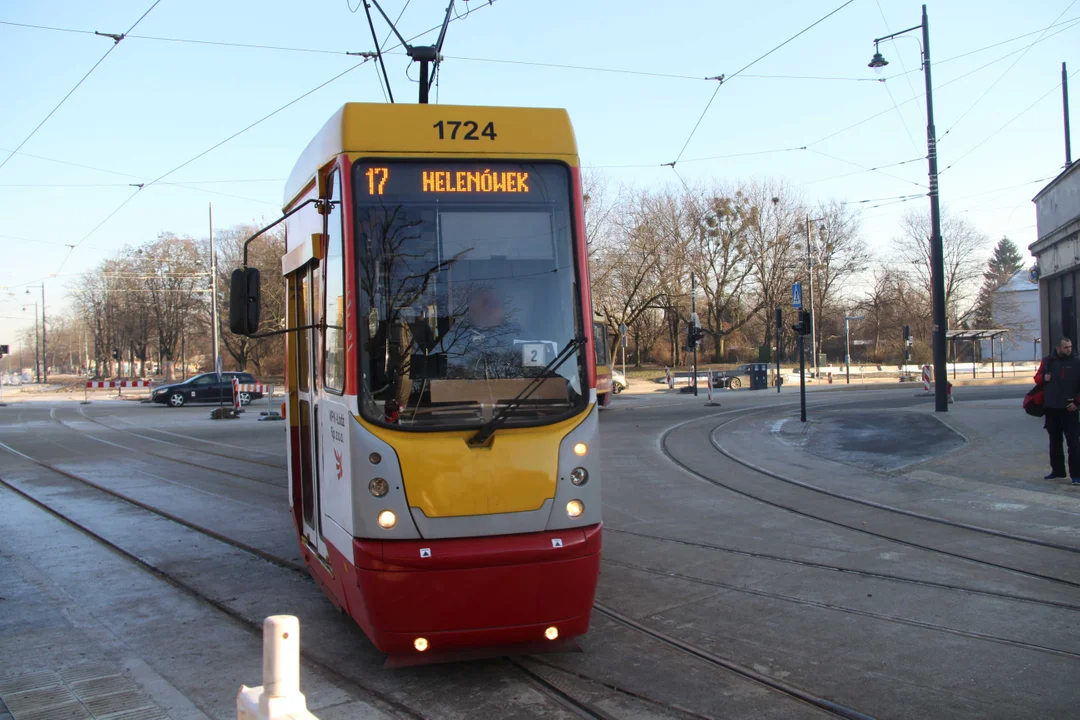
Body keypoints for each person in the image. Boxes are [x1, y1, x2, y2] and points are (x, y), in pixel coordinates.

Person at [1034, 337, 1080, 483]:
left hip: (1070, 409)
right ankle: (1058, 471)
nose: (1069, 349)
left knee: (1073, 442)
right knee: (1054, 441)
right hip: (1051, 408)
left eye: (1070, 347)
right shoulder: (1047, 360)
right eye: (1066, 347)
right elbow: (1036, 378)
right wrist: (1043, 377)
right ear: (1058, 348)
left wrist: (1077, 403)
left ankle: (1077, 475)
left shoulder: (1077, 362)